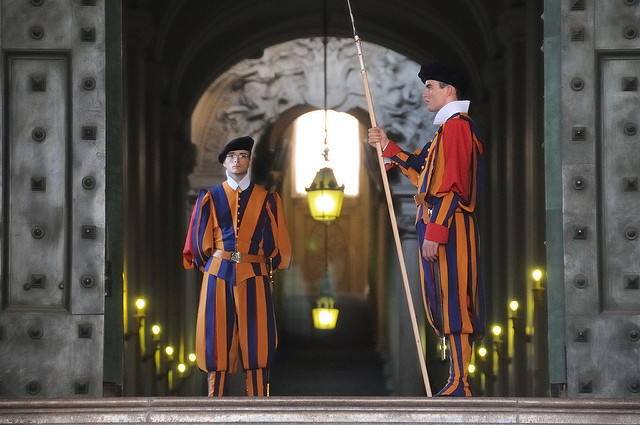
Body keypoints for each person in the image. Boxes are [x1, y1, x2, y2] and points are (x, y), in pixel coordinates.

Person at [368, 62, 485, 396]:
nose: (425, 93)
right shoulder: (444, 131)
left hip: (450, 225)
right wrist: (386, 145)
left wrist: (436, 232)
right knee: (443, 298)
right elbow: (420, 166)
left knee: (455, 299)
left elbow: (455, 187)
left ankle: (461, 381)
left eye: (430, 86)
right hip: (440, 224)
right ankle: (455, 377)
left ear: (449, 90)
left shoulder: (458, 127)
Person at [182, 136, 292, 396]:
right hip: (218, 273)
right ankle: (214, 402)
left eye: (242, 155)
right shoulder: (209, 197)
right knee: (215, 335)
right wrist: (210, 266)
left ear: (249, 161)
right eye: (232, 156)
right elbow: (196, 244)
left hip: (255, 273)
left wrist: (268, 266)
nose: (237, 160)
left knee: (258, 337)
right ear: (224, 163)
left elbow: (280, 244)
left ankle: (258, 403)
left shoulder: (268, 199)